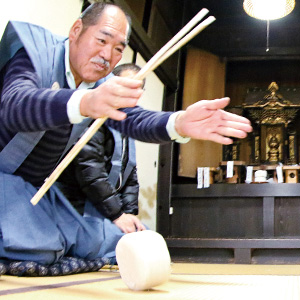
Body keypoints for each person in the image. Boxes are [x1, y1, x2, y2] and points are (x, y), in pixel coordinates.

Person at [0, 2, 252, 265]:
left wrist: (179, 123)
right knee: (38, 249)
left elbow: (135, 118)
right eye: (101, 40)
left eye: (119, 48)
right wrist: (85, 102)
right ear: (76, 30)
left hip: (38, 191)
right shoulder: (36, 51)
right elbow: (15, 103)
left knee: (113, 243)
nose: (107, 55)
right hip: (5, 179)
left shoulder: (99, 86)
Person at [59, 63, 146, 234]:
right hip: (80, 206)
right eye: (125, 84)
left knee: (143, 235)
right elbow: (90, 169)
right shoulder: (94, 116)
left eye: (136, 88)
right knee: (114, 243)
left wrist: (129, 214)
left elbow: (130, 177)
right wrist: (117, 214)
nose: (130, 92)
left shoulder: (126, 124)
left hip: (108, 208)